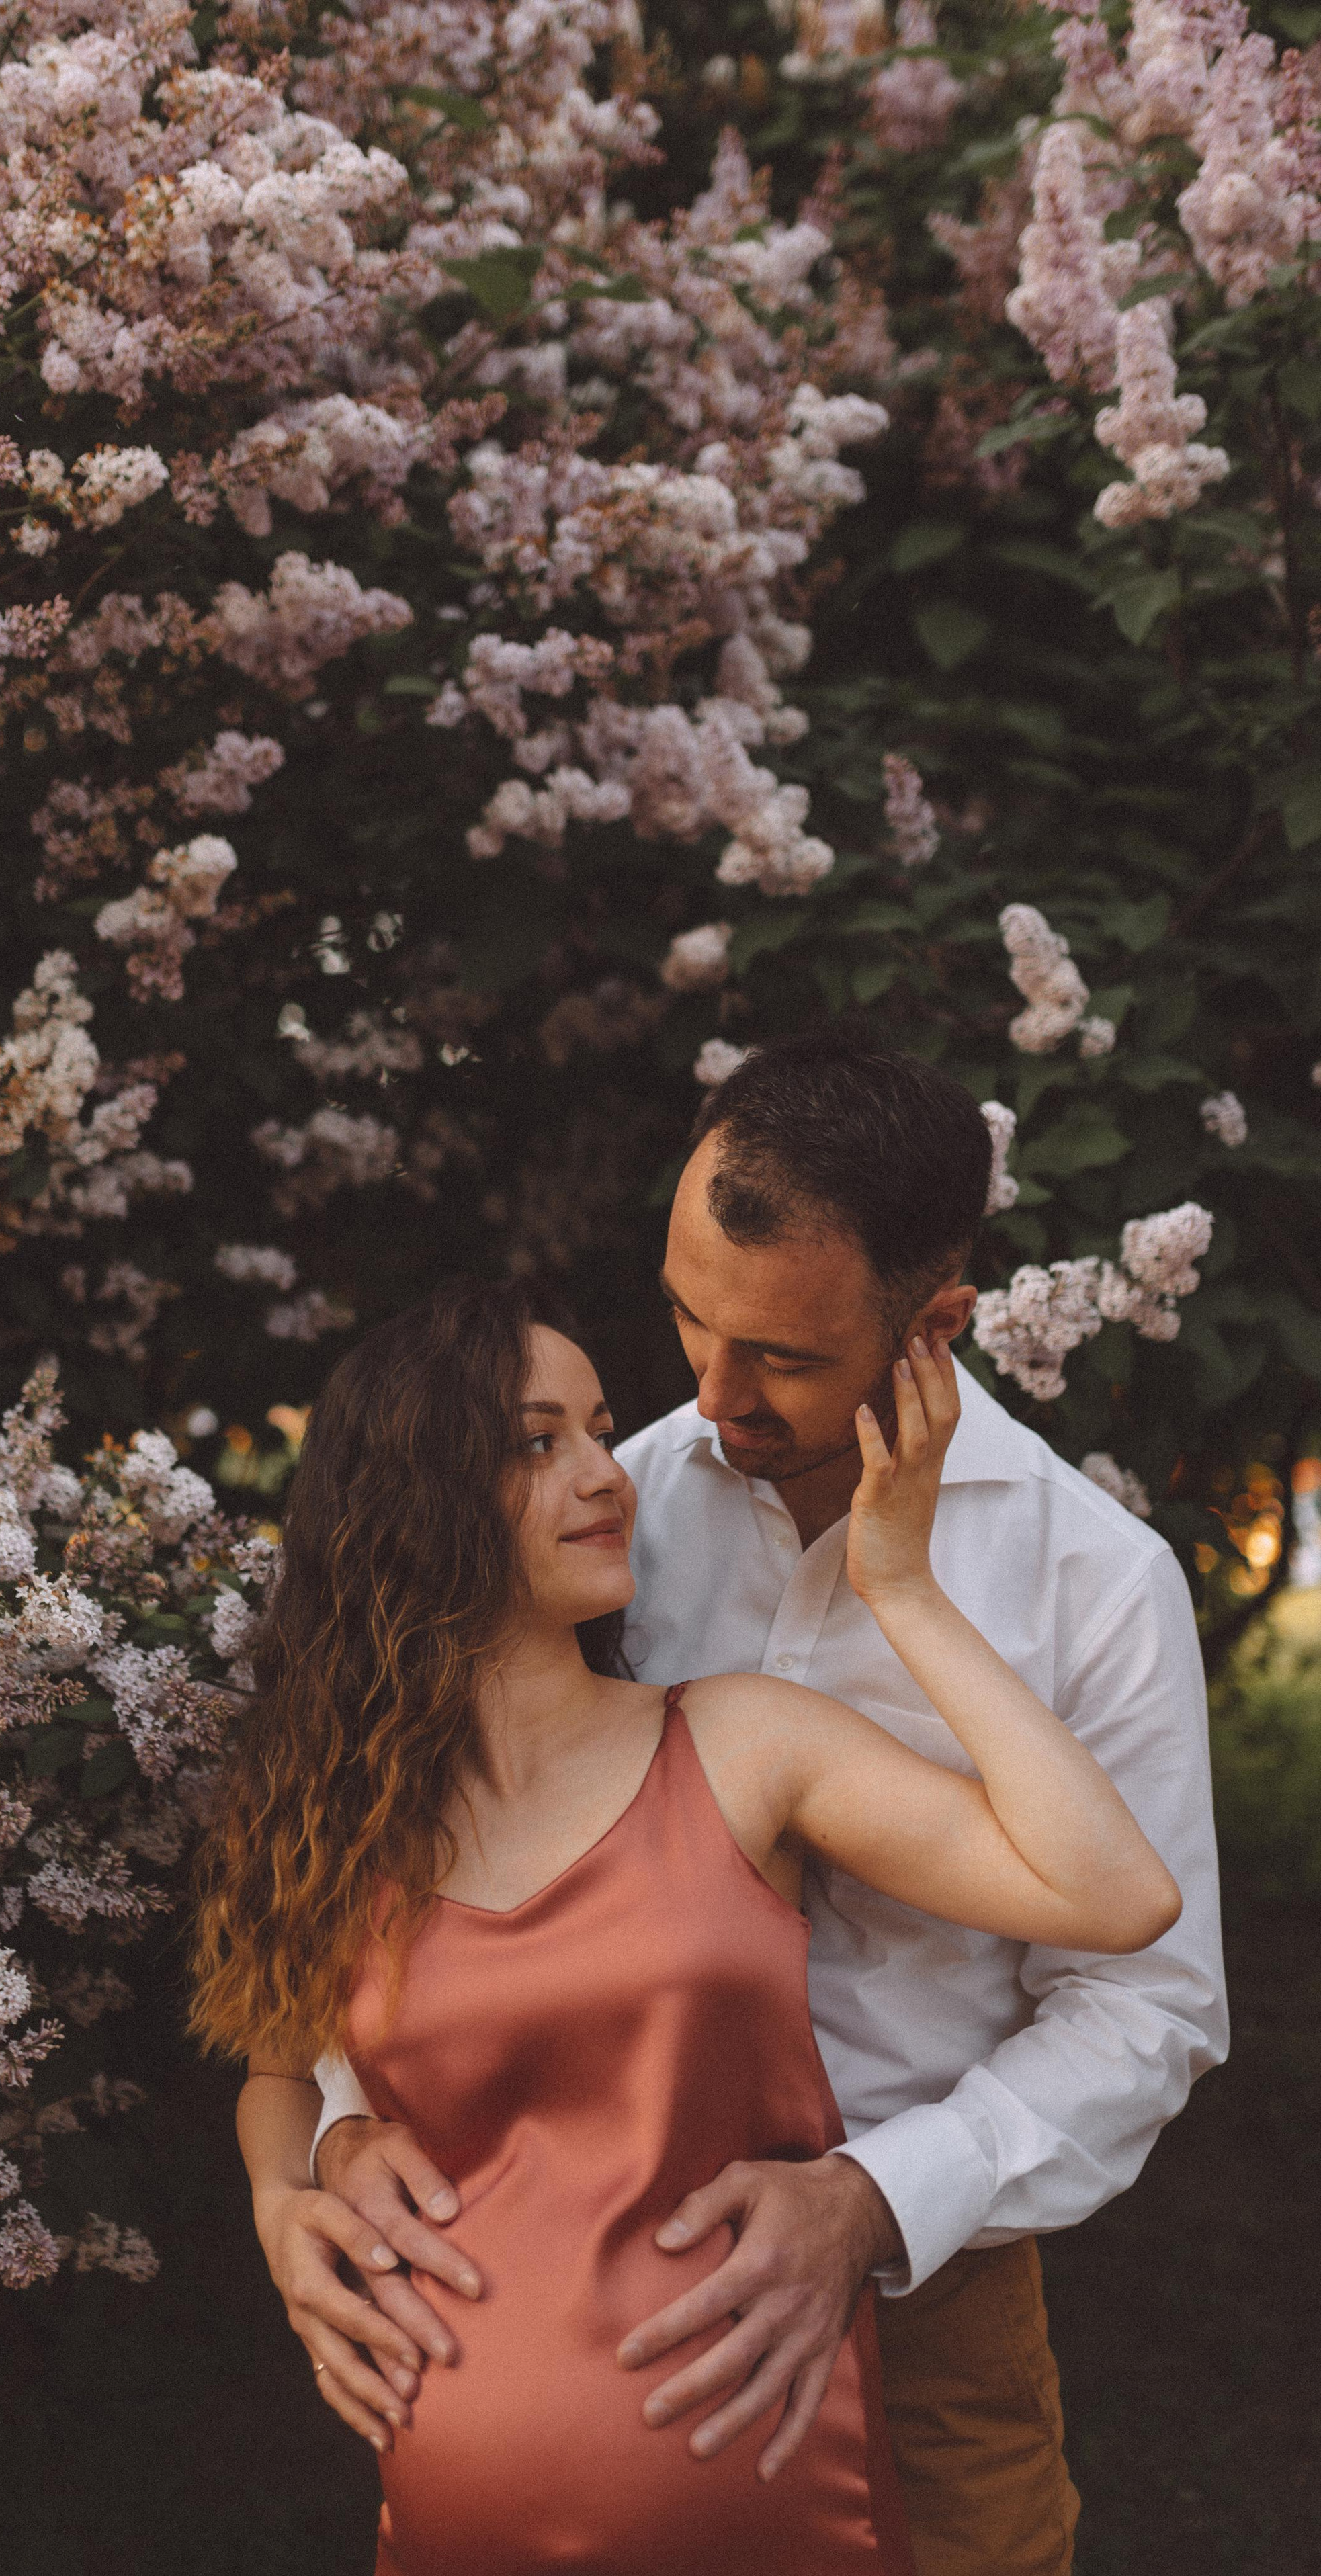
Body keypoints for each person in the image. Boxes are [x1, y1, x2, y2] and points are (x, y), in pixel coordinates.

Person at [278, 1036, 1228, 2575]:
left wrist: (866, 2201)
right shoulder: (599, 1510)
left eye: (778, 1357)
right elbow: (409, 1841)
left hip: (926, 2309)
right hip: (554, 2278)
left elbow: (1145, 2001)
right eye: (684, 1320)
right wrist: (324, 2138)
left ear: (931, 1326)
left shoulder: (1092, 1585)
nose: (710, 1396)